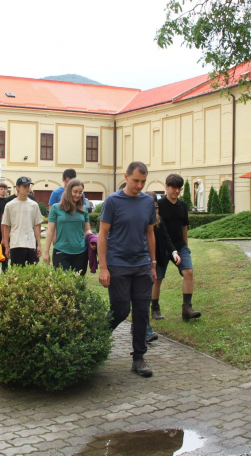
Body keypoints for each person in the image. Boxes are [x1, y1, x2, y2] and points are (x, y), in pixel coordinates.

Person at [98, 161, 157, 377]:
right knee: (121, 310)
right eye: (135, 181)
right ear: (126, 176)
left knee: (142, 312)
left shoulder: (148, 203)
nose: (139, 185)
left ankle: (138, 357)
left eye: (143, 181)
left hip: (141, 264)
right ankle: (96, 336)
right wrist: (103, 267)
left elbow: (150, 234)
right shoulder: (113, 201)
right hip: (118, 264)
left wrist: (152, 264)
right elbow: (102, 234)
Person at [153, 174, 201, 322]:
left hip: (179, 246)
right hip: (161, 247)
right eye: (173, 187)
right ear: (166, 187)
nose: (176, 191)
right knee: (157, 278)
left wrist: (185, 246)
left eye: (179, 188)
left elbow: (184, 227)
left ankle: (187, 308)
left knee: (188, 272)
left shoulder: (182, 205)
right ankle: (154, 308)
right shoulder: (159, 205)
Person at [143, 191, 182, 343]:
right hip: (140, 260)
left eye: (154, 206)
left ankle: (149, 319)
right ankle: (142, 326)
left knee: (150, 288)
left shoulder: (159, 220)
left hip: (156, 259)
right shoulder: (140, 219)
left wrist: (174, 252)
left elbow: (166, 238)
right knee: (142, 293)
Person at [43, 178, 91, 276]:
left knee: (78, 285)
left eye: (80, 192)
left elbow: (87, 230)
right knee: (63, 285)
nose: (78, 195)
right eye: (75, 192)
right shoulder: (56, 208)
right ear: (68, 191)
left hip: (81, 252)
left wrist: (93, 239)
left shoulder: (84, 209)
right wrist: (46, 252)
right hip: (61, 251)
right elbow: (50, 231)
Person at [2, 176, 43, 267]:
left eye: (28, 186)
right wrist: (7, 246)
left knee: (31, 273)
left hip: (30, 243)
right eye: (25, 186)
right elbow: (6, 226)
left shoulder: (34, 205)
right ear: (17, 188)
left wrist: (39, 245)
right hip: (16, 243)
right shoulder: (10, 205)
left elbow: (37, 225)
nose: (27, 189)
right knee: (17, 272)